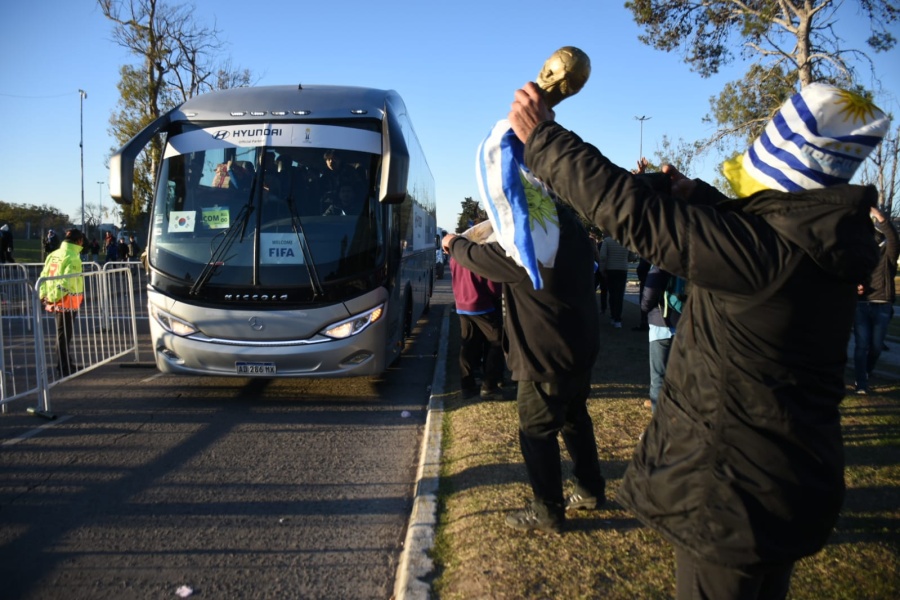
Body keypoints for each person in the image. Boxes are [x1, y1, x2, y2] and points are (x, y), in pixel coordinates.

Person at [507, 81, 889, 598]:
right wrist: (703, 197)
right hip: (780, 483)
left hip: (733, 497)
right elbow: (762, 230)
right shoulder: (818, 245)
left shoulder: (762, 256)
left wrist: (545, 139)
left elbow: (634, 215)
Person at [442, 202, 606, 535]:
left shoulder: (532, 245)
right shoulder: (570, 229)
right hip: (579, 347)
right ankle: (589, 488)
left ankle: (547, 509)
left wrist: (453, 243)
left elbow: (480, 259)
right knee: (575, 418)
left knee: (535, 430)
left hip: (545, 356)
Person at [852, 206, 899, 395]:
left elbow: (894, 237)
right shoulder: (860, 254)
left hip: (882, 304)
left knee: (877, 347)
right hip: (862, 304)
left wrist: (879, 215)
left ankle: (867, 371)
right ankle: (861, 382)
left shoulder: (888, 254)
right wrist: (855, 286)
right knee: (862, 344)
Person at [449, 252, 505, 400]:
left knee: (468, 345)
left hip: (462, 305)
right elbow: (494, 288)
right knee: (497, 342)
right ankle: (489, 385)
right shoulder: (480, 256)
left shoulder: (456, 256)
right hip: (481, 305)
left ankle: (467, 386)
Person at [39, 228, 86, 377]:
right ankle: (64, 367)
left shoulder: (53, 254)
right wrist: (53, 297)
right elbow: (67, 281)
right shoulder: (73, 257)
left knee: (62, 335)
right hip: (66, 300)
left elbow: (43, 275)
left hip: (54, 297)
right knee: (64, 336)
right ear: (79, 241)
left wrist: (44, 295)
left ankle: (66, 364)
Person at [641, 265, 681, 413]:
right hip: (685, 322)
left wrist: (645, 308)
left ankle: (659, 428)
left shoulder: (662, 261)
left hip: (662, 323)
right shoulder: (693, 258)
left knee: (658, 377)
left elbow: (650, 293)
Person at [597, 233, 629, 328]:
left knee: (612, 293)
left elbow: (602, 257)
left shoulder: (607, 241)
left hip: (610, 270)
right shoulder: (626, 241)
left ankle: (613, 315)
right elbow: (631, 256)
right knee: (620, 294)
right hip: (623, 269)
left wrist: (602, 269)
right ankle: (618, 318)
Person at [633, 257, 651, 331]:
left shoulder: (645, 256)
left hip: (646, 281)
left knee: (645, 301)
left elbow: (641, 268)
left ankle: (644, 322)